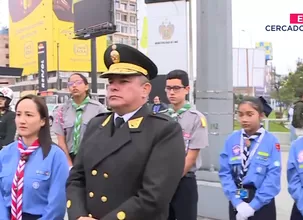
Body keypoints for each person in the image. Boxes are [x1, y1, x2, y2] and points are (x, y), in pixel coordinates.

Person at [66, 44, 186, 220]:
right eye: (111, 82)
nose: (113, 87)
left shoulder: (164, 130)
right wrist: (78, 215)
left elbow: (154, 196)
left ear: (145, 90)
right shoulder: (96, 125)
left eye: (123, 81)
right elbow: (76, 179)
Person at [0, 94, 69, 219]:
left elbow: (57, 205)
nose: (22, 120)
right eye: (18, 114)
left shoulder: (55, 156)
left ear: (43, 120)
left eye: (29, 115)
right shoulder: (5, 154)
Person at [219, 96, 281, 220]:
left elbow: (273, 177)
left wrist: (253, 206)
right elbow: (225, 172)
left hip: (262, 201)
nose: (244, 119)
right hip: (238, 196)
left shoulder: (271, 141)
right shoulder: (232, 140)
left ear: (261, 115)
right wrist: (237, 203)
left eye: (250, 114)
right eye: (240, 115)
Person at [165, 69, 208, 220]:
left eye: (176, 88)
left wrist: (171, 178)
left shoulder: (197, 118)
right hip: (162, 181)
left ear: (187, 89)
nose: (171, 92)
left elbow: (191, 156)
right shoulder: (162, 117)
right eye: (168, 88)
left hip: (184, 181)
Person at [52, 73, 106, 167]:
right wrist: (69, 164)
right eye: (70, 84)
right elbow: (61, 141)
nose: (74, 86)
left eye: (78, 82)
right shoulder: (61, 111)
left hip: (92, 158)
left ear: (86, 87)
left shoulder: (98, 109)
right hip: (70, 157)